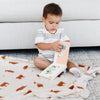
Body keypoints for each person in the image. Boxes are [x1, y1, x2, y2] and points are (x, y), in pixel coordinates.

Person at [34, 3, 81, 77]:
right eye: (51, 22)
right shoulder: (41, 32)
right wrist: (52, 45)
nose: (54, 25)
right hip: (45, 58)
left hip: (59, 57)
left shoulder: (60, 31)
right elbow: (40, 45)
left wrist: (63, 45)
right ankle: (53, 67)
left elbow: (67, 41)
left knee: (68, 62)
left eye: (57, 23)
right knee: (37, 62)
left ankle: (73, 69)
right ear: (44, 19)